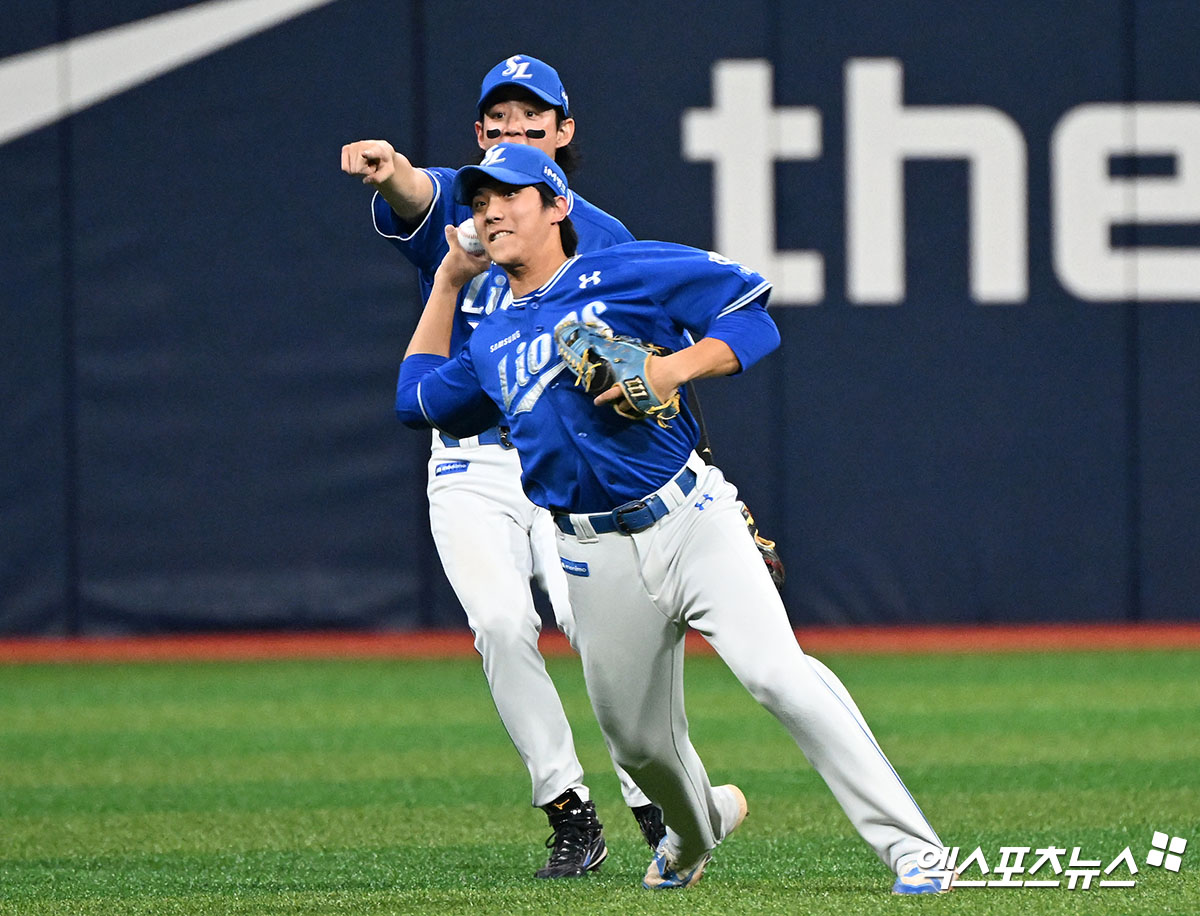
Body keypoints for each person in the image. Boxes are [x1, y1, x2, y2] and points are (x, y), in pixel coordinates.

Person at [393, 144, 949, 893]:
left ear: (558, 205)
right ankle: (693, 835)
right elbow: (417, 401)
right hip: (591, 555)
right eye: (479, 199)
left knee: (779, 677)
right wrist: (447, 284)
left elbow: (751, 317)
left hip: (691, 519)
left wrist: (671, 368)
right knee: (639, 743)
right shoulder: (492, 339)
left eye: (509, 195)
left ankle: (916, 851)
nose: (490, 210)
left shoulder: (625, 270)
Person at [340, 54, 662, 878]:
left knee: (598, 630)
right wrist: (389, 175)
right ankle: (567, 809)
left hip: (566, 462)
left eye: (532, 122)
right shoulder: (460, 201)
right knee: (501, 624)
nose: (516, 134)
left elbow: (634, 371)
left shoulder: (606, 237)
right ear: (480, 133)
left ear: (564, 132)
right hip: (469, 467)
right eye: (500, 123)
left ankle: (656, 796)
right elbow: (417, 189)